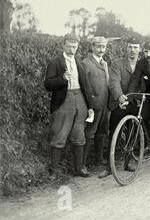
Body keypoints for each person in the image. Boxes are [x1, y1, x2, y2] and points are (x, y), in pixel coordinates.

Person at [44, 33, 95, 179]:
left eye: (75, 46)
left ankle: (78, 168)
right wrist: (62, 79)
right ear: (63, 45)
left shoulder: (79, 62)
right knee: (60, 134)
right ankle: (53, 171)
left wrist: (90, 106)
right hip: (64, 101)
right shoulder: (56, 62)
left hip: (80, 100)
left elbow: (86, 86)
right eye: (69, 45)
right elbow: (47, 84)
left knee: (79, 134)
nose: (72, 49)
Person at [98, 37, 141, 178]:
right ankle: (109, 167)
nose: (132, 50)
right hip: (119, 103)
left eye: (135, 47)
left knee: (133, 132)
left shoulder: (143, 65)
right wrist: (120, 96)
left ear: (139, 49)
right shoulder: (117, 64)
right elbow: (113, 82)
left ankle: (128, 161)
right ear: (126, 48)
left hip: (135, 103)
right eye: (130, 47)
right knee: (114, 132)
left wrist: (137, 99)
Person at [81, 36, 110, 171]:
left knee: (102, 132)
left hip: (105, 104)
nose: (100, 49)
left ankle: (98, 159)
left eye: (103, 47)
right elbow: (85, 86)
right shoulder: (86, 63)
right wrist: (90, 104)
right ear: (92, 47)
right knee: (89, 132)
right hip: (93, 104)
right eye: (98, 46)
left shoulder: (104, 63)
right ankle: (83, 164)